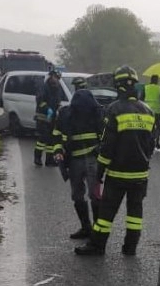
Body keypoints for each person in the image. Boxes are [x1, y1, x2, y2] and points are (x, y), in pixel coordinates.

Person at [75, 65, 156, 256]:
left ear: (117, 86)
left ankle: (97, 246)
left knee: (105, 214)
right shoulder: (148, 111)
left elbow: (107, 146)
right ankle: (130, 248)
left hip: (118, 174)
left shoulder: (114, 110)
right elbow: (151, 145)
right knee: (135, 214)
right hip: (141, 175)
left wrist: (99, 172)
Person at [52, 77, 104, 240]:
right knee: (91, 195)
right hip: (88, 161)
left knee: (81, 195)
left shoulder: (66, 113)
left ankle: (90, 228)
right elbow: (106, 137)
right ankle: (93, 229)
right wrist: (59, 150)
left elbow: (57, 135)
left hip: (79, 161)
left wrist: (59, 150)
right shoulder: (96, 112)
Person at [34, 69, 62, 167]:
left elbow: (58, 100)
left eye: (58, 78)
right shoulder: (44, 87)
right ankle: (37, 158)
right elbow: (40, 101)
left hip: (53, 117)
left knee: (51, 140)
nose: (57, 80)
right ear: (51, 76)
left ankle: (49, 160)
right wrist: (47, 109)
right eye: (55, 77)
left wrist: (58, 108)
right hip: (42, 117)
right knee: (42, 139)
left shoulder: (57, 88)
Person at [143, 75, 160, 149]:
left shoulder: (146, 87)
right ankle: (157, 142)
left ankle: (148, 140)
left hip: (147, 111)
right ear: (157, 80)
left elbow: (141, 98)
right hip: (157, 111)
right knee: (158, 127)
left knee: (148, 127)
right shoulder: (159, 88)